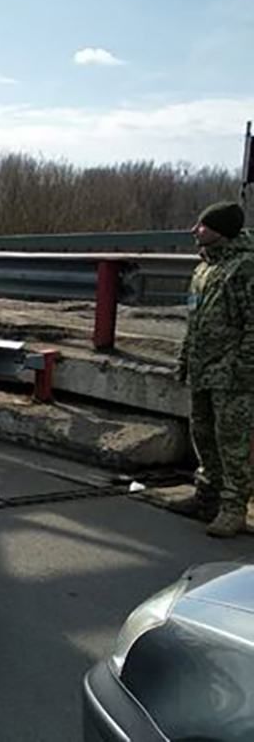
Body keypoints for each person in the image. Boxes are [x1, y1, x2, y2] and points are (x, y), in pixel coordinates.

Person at [170, 201, 253, 538]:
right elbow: (195, 322)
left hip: (232, 375)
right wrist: (185, 361)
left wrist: (243, 367)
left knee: (231, 441)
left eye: (202, 225)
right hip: (204, 370)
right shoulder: (204, 269)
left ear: (220, 229)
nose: (195, 230)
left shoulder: (244, 268)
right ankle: (207, 496)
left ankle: (234, 508)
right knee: (203, 434)